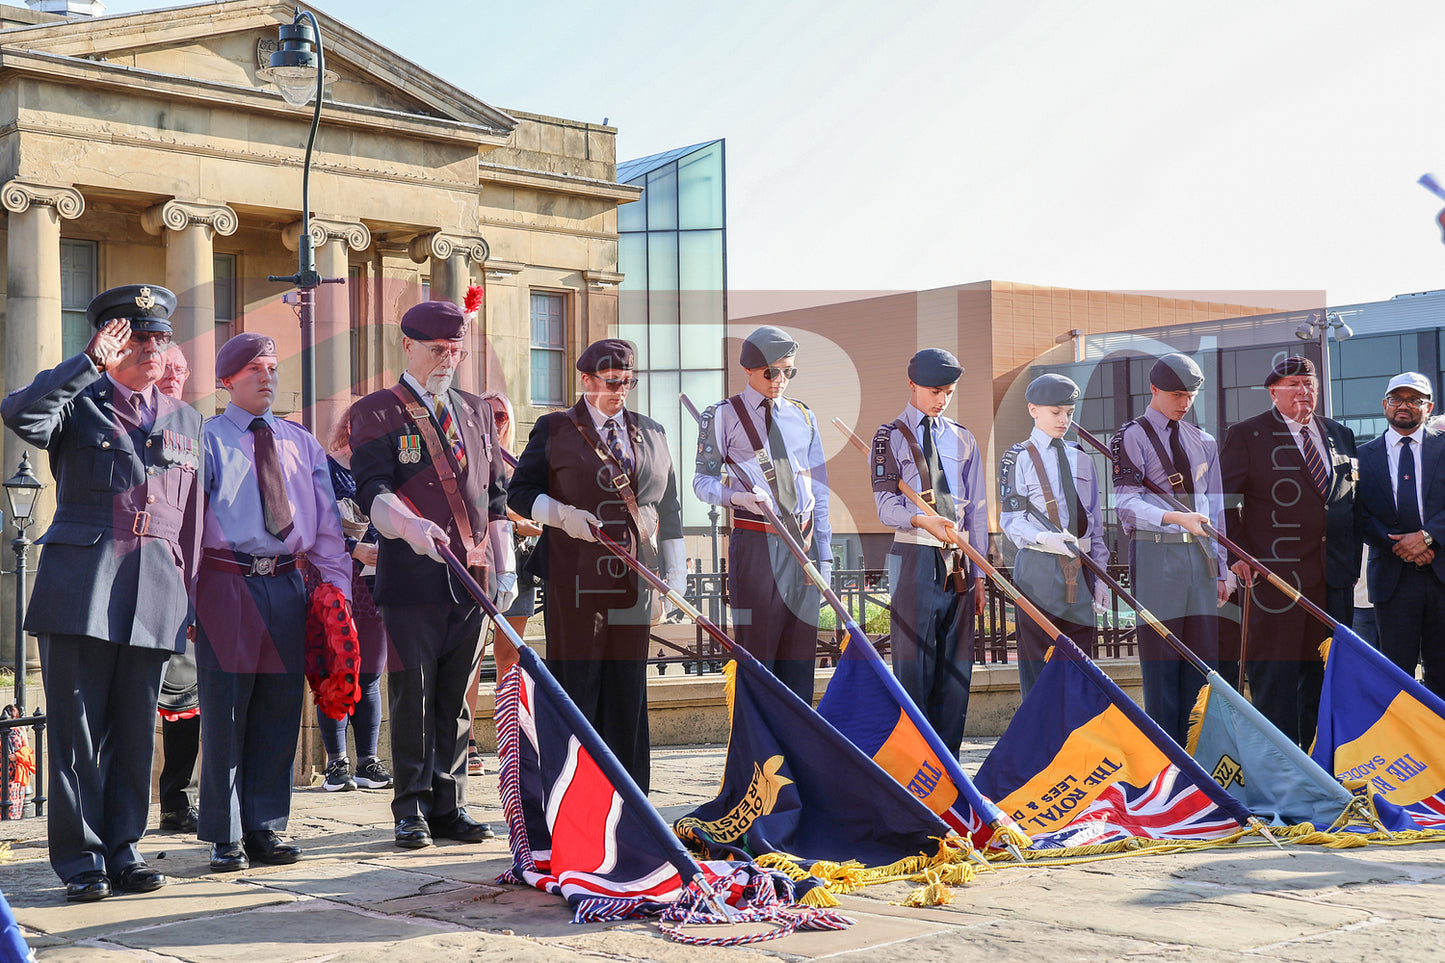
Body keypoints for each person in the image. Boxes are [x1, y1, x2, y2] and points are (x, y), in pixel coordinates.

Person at [1, 284, 202, 902]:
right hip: (82, 584)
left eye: (158, 337)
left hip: (156, 586)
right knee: (76, 730)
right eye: (135, 337)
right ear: (110, 344)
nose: (149, 347)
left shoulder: (185, 419)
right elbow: (21, 414)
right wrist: (86, 364)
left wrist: (188, 599)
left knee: (137, 729)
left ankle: (124, 848)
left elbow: (190, 516)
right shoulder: (79, 399)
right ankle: (82, 861)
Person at [350, 300, 514, 850]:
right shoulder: (377, 410)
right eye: (437, 349)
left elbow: (494, 497)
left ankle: (451, 802)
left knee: (456, 697)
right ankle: (411, 806)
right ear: (407, 346)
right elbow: (371, 489)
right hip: (413, 575)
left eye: (456, 350)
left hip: (473, 576)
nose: (448, 359)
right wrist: (408, 527)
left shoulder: (473, 410)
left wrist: (504, 564)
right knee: (412, 693)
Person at [196, 332, 352, 872]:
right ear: (227, 381)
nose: (267, 376)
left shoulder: (300, 442)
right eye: (254, 368)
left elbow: (327, 524)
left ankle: (265, 826)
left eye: (272, 366)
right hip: (226, 582)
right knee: (227, 711)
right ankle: (226, 834)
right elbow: (190, 527)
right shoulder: (206, 439)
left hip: (289, 583)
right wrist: (190, 601)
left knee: (279, 709)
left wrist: (337, 593)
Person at [508, 338, 685, 792]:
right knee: (578, 685)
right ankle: (576, 795)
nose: (621, 390)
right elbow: (519, 493)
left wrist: (676, 576)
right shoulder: (555, 429)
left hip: (636, 579)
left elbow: (669, 508)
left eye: (628, 381)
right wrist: (563, 517)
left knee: (628, 690)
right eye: (612, 382)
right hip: (576, 578)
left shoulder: (654, 431)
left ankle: (631, 797)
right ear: (586, 381)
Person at [1221, 356, 1360, 747]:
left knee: (1324, 678)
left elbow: (1348, 501)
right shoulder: (1247, 435)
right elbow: (1225, 502)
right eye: (1294, 384)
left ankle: (1319, 763)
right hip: (1276, 581)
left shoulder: (1340, 434)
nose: (1304, 391)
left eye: (1309, 384)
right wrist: (1240, 555)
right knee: (1276, 680)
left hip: (1333, 579)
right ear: (1273, 392)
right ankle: (1279, 766)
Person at [693, 326, 833, 703]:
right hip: (756, 543)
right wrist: (738, 497)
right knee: (759, 657)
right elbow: (701, 482)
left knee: (800, 659)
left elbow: (819, 489)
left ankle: (797, 755)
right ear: (750, 370)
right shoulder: (720, 416)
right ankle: (758, 755)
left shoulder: (804, 416)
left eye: (789, 371)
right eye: (772, 372)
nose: (780, 380)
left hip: (802, 543)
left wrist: (826, 554)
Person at [872, 349, 987, 757]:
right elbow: (885, 506)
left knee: (955, 673)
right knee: (913, 670)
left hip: (958, 563)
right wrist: (924, 521)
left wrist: (979, 575)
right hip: (914, 557)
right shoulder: (889, 436)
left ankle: (949, 771)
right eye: (935, 391)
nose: (942, 400)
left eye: (949, 392)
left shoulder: (963, 438)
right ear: (912, 385)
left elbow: (978, 509)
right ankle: (913, 766)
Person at [1112, 353, 1231, 746]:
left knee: (1202, 662)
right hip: (1155, 552)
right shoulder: (1132, 435)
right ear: (1154, 390)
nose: (1184, 402)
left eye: (1191, 395)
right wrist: (1174, 519)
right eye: (1177, 394)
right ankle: (1166, 755)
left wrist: (1222, 568)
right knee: (1161, 661)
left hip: (1199, 556)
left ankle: (1201, 750)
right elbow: (1126, 503)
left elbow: (1215, 508)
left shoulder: (1204, 441)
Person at [999, 373, 1110, 698]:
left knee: (1081, 664)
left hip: (1082, 568)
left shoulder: (1082, 457)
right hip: (1039, 567)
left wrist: (1100, 579)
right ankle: (1041, 744)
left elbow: (1095, 525)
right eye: (1055, 412)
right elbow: (1011, 519)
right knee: (1040, 664)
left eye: (1069, 413)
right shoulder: (1017, 457)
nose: (1064, 420)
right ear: (1033, 410)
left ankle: (1077, 742)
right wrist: (1046, 539)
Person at [309, 407, 393, 793]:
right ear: (349, 431)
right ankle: (336, 764)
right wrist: (353, 549)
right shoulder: (324, 470)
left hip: (377, 584)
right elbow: (310, 528)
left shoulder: (381, 474)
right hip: (336, 582)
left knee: (371, 674)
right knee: (336, 671)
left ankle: (368, 762)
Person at [464, 390, 543, 776]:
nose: (496, 422)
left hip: (520, 565)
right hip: (481, 564)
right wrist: (515, 521)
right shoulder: (470, 457)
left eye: (501, 416)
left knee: (510, 657)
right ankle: (469, 741)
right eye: (489, 414)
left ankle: (511, 739)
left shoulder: (520, 463)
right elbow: (475, 506)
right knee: (473, 656)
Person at [1356, 372, 1445, 698]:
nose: (1403, 406)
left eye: (1414, 400)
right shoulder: (1362, 455)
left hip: (1441, 575)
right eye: (1397, 399)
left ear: (1429, 406)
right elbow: (1359, 515)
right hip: (1392, 581)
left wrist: (1428, 537)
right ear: (1385, 404)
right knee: (1395, 678)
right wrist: (1401, 545)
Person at [153, 345, 202, 833]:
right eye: (167, 368)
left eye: (181, 370)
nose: (174, 376)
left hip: (185, 582)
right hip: (136, 578)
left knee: (186, 701)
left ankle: (176, 801)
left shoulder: (194, 427)